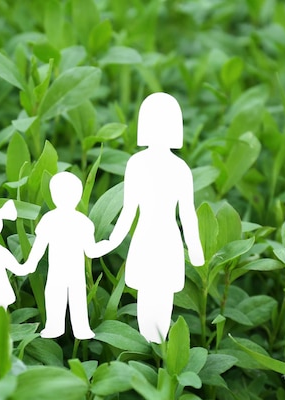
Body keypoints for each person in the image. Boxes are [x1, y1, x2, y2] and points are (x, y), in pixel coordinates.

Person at [108, 92, 204, 343]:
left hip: (164, 238)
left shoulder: (179, 168)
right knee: (147, 294)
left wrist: (195, 249)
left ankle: (158, 348)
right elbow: (128, 210)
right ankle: (147, 346)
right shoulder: (137, 164)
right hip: (149, 237)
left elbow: (187, 212)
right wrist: (111, 241)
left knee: (162, 296)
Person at [23, 172, 112, 340]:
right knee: (58, 297)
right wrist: (31, 263)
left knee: (73, 298)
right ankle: (58, 327)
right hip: (60, 271)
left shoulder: (78, 221)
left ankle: (79, 328)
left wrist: (109, 244)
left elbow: (90, 250)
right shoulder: (70, 220)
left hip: (71, 272)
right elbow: (40, 245)